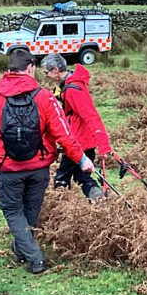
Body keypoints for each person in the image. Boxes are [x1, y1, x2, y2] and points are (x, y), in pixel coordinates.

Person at [0, 48, 94, 274]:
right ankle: (27, 252)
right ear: (30, 68)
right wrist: (82, 159)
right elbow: (64, 134)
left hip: (8, 168)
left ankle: (32, 256)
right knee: (30, 211)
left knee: (13, 212)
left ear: (9, 70)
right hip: (39, 168)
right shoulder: (45, 97)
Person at [40, 53, 113, 201]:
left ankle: (61, 207)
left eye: (46, 72)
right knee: (82, 176)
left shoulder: (72, 90)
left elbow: (91, 116)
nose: (45, 76)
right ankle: (99, 199)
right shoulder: (70, 84)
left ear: (56, 70)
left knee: (62, 179)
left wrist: (104, 145)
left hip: (77, 143)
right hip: (86, 141)